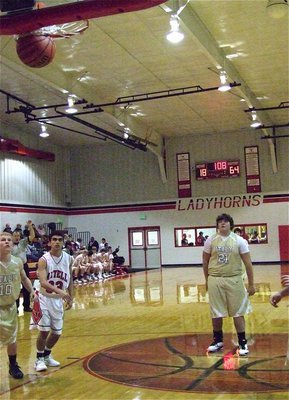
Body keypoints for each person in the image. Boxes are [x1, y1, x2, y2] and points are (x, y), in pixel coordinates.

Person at [202, 213, 255, 356]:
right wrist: (207, 280)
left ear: (231, 225)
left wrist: (251, 284)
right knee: (216, 312)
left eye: (225, 221)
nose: (222, 224)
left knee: (237, 312)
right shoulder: (210, 241)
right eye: (219, 222)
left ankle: (242, 342)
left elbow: (248, 264)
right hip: (215, 279)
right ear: (217, 225)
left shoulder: (239, 241)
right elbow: (205, 261)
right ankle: (217, 340)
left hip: (234, 279)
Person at [30, 231, 73, 372]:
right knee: (44, 331)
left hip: (57, 300)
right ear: (49, 242)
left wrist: (71, 296)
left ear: (63, 242)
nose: (57, 242)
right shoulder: (44, 259)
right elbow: (43, 282)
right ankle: (38, 359)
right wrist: (61, 292)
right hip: (43, 298)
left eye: (60, 240)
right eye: (54, 239)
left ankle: (47, 355)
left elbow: (70, 278)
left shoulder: (69, 258)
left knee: (57, 333)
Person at [0, 231, 34, 379]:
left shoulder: (17, 262)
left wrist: (32, 290)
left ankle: (13, 365)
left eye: (9, 240)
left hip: (11, 306)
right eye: (3, 240)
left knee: (12, 339)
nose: (7, 242)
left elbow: (25, 278)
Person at [12, 220, 35, 312]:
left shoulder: (23, 242)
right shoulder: (9, 245)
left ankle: (26, 306)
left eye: (18, 236)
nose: (17, 237)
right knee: (15, 287)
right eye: (15, 236)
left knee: (26, 287)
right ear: (12, 237)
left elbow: (32, 236)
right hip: (14, 268)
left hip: (24, 266)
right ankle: (15, 307)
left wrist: (30, 226)